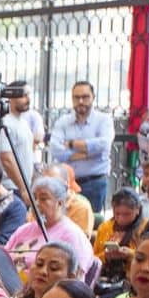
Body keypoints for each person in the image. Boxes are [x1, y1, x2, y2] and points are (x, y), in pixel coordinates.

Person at [4, 175, 97, 282]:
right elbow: (3, 259)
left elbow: (75, 280)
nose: (37, 203)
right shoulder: (23, 230)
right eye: (34, 198)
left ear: (60, 203)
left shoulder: (73, 235)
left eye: (43, 199)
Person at [48, 81, 113, 211]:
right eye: (76, 97)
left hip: (94, 183)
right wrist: (86, 153)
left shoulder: (104, 120)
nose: (81, 101)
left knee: (91, 225)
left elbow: (104, 145)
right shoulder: (63, 122)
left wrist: (71, 144)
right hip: (67, 185)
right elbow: (56, 150)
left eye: (85, 97)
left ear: (93, 97)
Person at [92, 188, 144, 298]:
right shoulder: (105, 228)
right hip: (105, 278)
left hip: (132, 281)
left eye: (127, 214)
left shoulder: (145, 228)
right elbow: (93, 259)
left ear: (137, 210)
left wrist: (130, 254)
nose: (121, 219)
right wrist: (106, 256)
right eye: (117, 214)